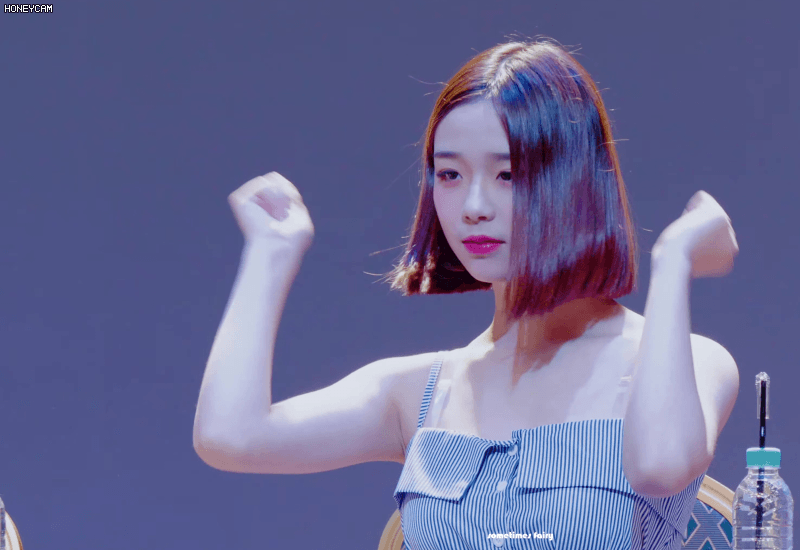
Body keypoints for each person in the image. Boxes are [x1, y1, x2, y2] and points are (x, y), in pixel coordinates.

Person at [192, 38, 740, 550]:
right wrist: (271, 253)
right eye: (450, 174)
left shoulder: (686, 361)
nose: (474, 206)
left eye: (508, 175)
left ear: (575, 182)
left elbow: (660, 467)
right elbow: (230, 437)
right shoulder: (421, 391)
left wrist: (673, 261)